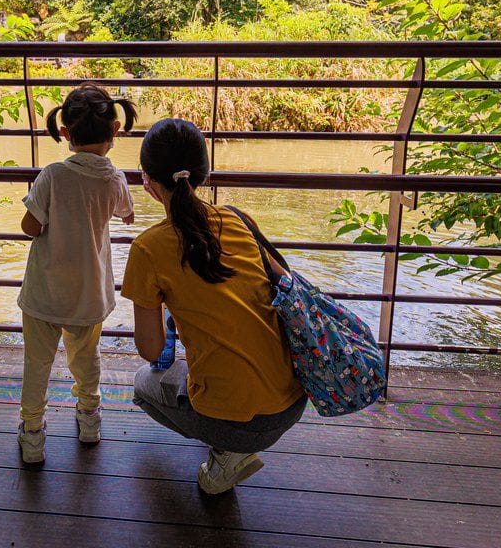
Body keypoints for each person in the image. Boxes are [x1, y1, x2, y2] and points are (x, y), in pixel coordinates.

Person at [122, 118, 306, 494]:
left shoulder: (147, 248)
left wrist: (162, 305)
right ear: (203, 174)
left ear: (148, 182)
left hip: (244, 423)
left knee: (144, 386)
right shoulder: (239, 219)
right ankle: (231, 442)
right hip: (294, 399)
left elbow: (151, 350)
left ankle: (227, 455)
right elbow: (283, 282)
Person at [17, 83, 137, 464]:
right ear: (115, 130)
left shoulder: (53, 175)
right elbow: (127, 215)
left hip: (43, 294)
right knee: (86, 359)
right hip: (89, 294)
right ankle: (89, 420)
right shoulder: (114, 179)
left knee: (37, 364)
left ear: (64, 133)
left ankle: (33, 434)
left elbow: (29, 227)